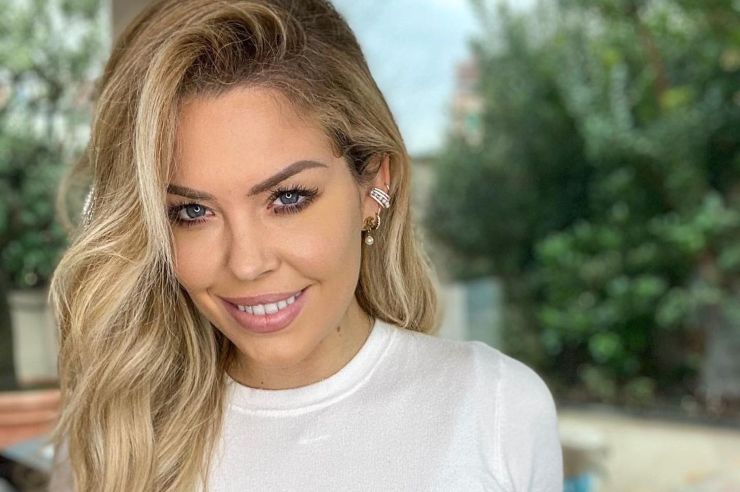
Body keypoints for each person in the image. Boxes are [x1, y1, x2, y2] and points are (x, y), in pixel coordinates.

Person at [47, 0, 563, 490]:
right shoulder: (117, 436)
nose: (246, 264)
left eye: (288, 198)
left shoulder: (496, 410)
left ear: (373, 187)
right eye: (192, 212)